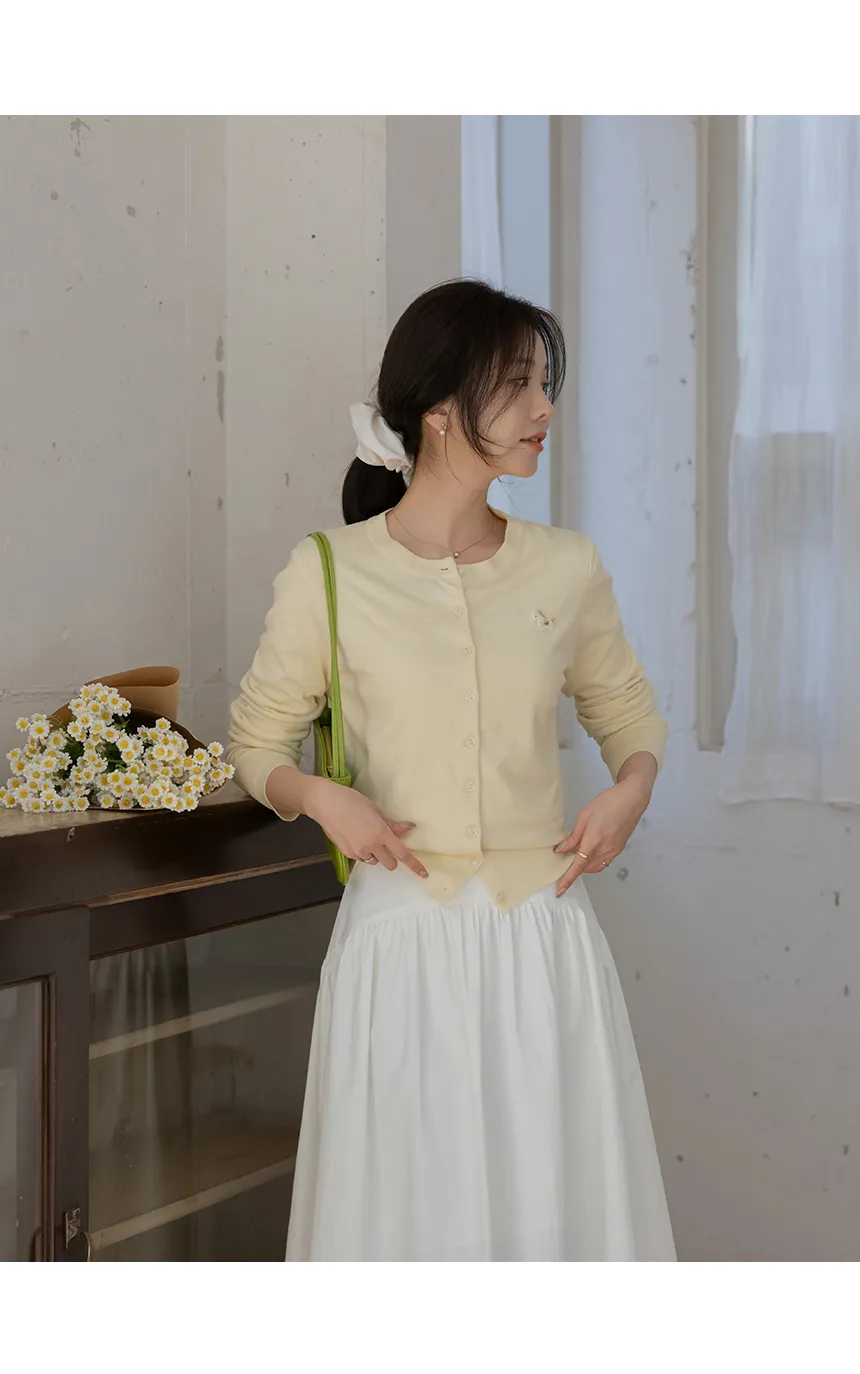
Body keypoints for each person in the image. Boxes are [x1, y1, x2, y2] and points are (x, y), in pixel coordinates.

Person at [226, 279, 676, 1261]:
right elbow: (257, 741)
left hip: (543, 937)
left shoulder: (565, 566)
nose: (544, 408)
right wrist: (321, 798)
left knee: (549, 1211)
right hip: (401, 938)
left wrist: (630, 791)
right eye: (518, 385)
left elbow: (629, 716)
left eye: (546, 383)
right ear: (437, 411)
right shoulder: (330, 570)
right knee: (410, 1218)